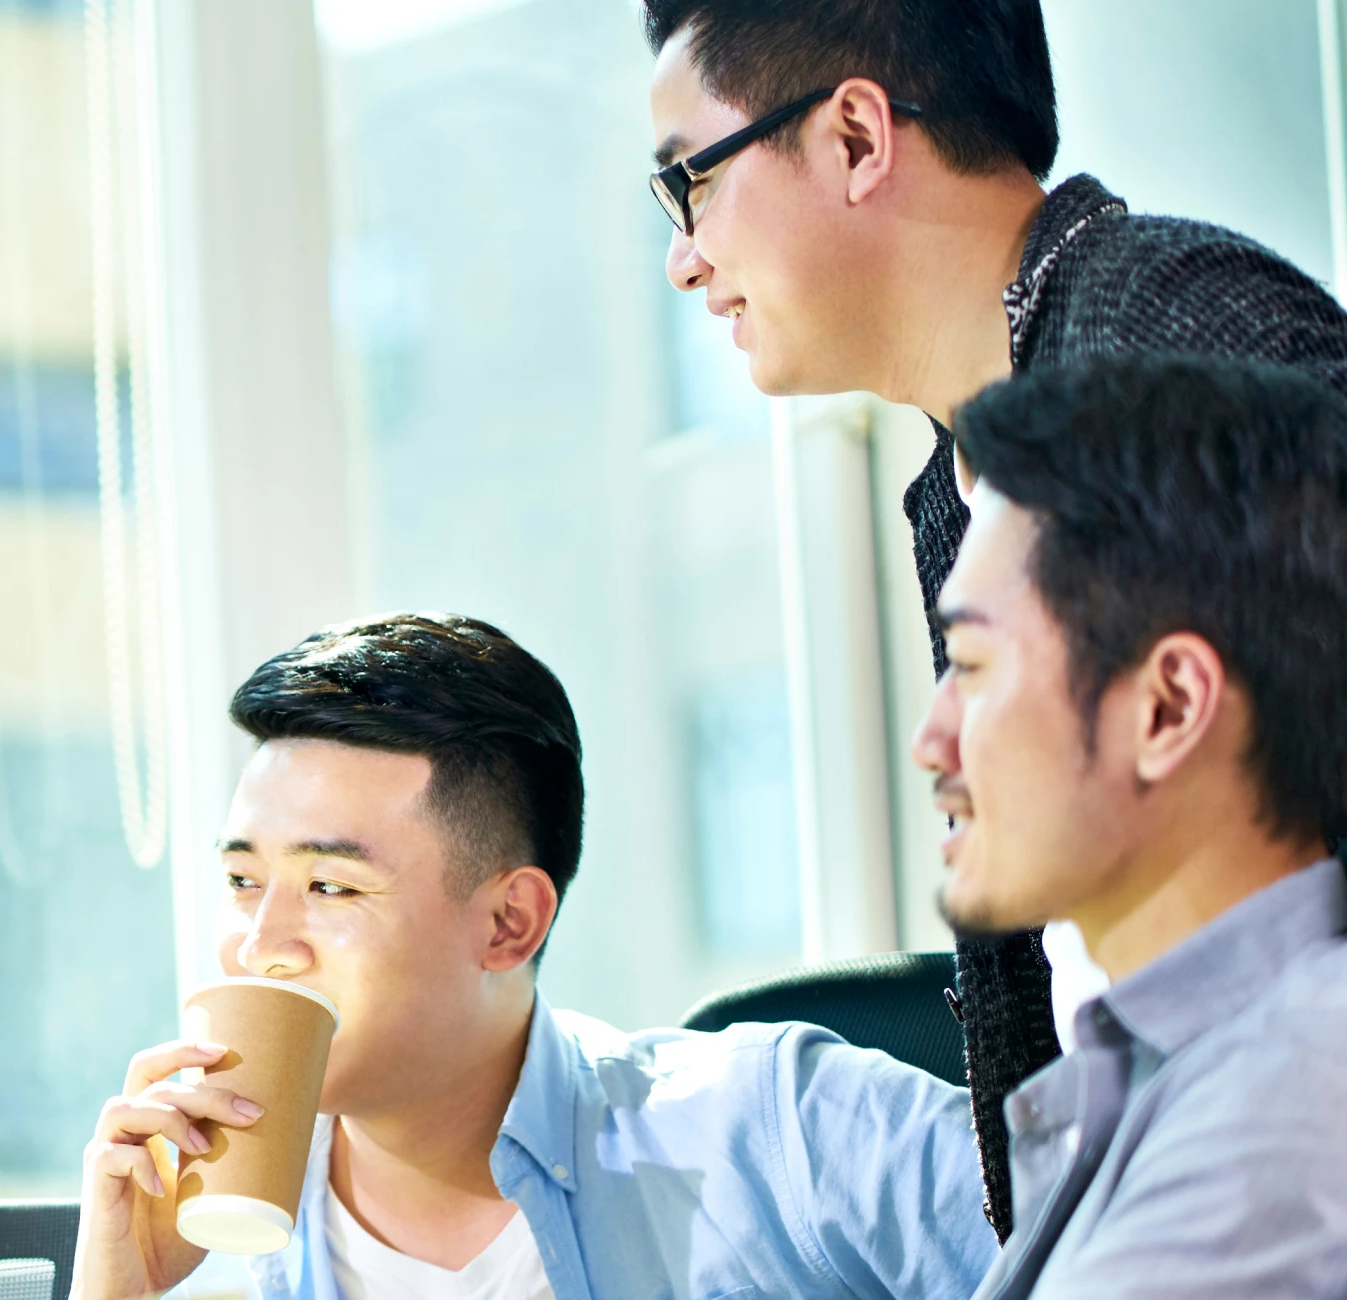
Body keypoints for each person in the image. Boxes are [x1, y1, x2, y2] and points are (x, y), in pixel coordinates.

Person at [640, 0, 1347, 1235]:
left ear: (857, 137)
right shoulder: (963, 480)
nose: (683, 258)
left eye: (688, 183)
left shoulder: (1177, 342)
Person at [70, 615, 993, 1300]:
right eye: (242, 881)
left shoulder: (779, 1128)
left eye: (331, 887)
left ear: (509, 923)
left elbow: (1079, 1246)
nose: (260, 944)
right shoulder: (212, 1238)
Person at [912, 356, 1347, 1297]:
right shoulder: (1171, 1074)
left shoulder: (1274, 1127)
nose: (930, 741)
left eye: (973, 667)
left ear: (1167, 707)